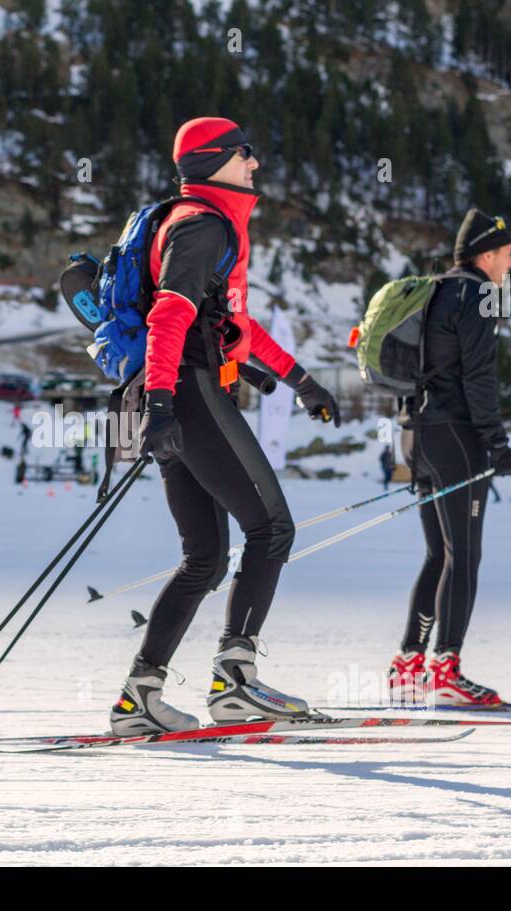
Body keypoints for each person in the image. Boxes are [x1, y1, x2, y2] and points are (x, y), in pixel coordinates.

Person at [112, 117, 341, 735]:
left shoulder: (205, 224)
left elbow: (240, 325)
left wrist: (302, 383)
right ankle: (236, 681)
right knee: (272, 528)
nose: (255, 164)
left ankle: (140, 698)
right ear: (215, 161)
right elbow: (170, 315)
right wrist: (163, 403)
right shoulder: (202, 225)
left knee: (206, 559)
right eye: (246, 154)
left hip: (175, 394)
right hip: (184, 390)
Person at [388, 208, 511, 707]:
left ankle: (409, 664)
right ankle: (446, 667)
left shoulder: (431, 291)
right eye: (507, 256)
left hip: (414, 436)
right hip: (456, 437)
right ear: (486, 255)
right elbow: (480, 379)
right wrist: (498, 443)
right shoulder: (479, 295)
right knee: (463, 555)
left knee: (437, 554)